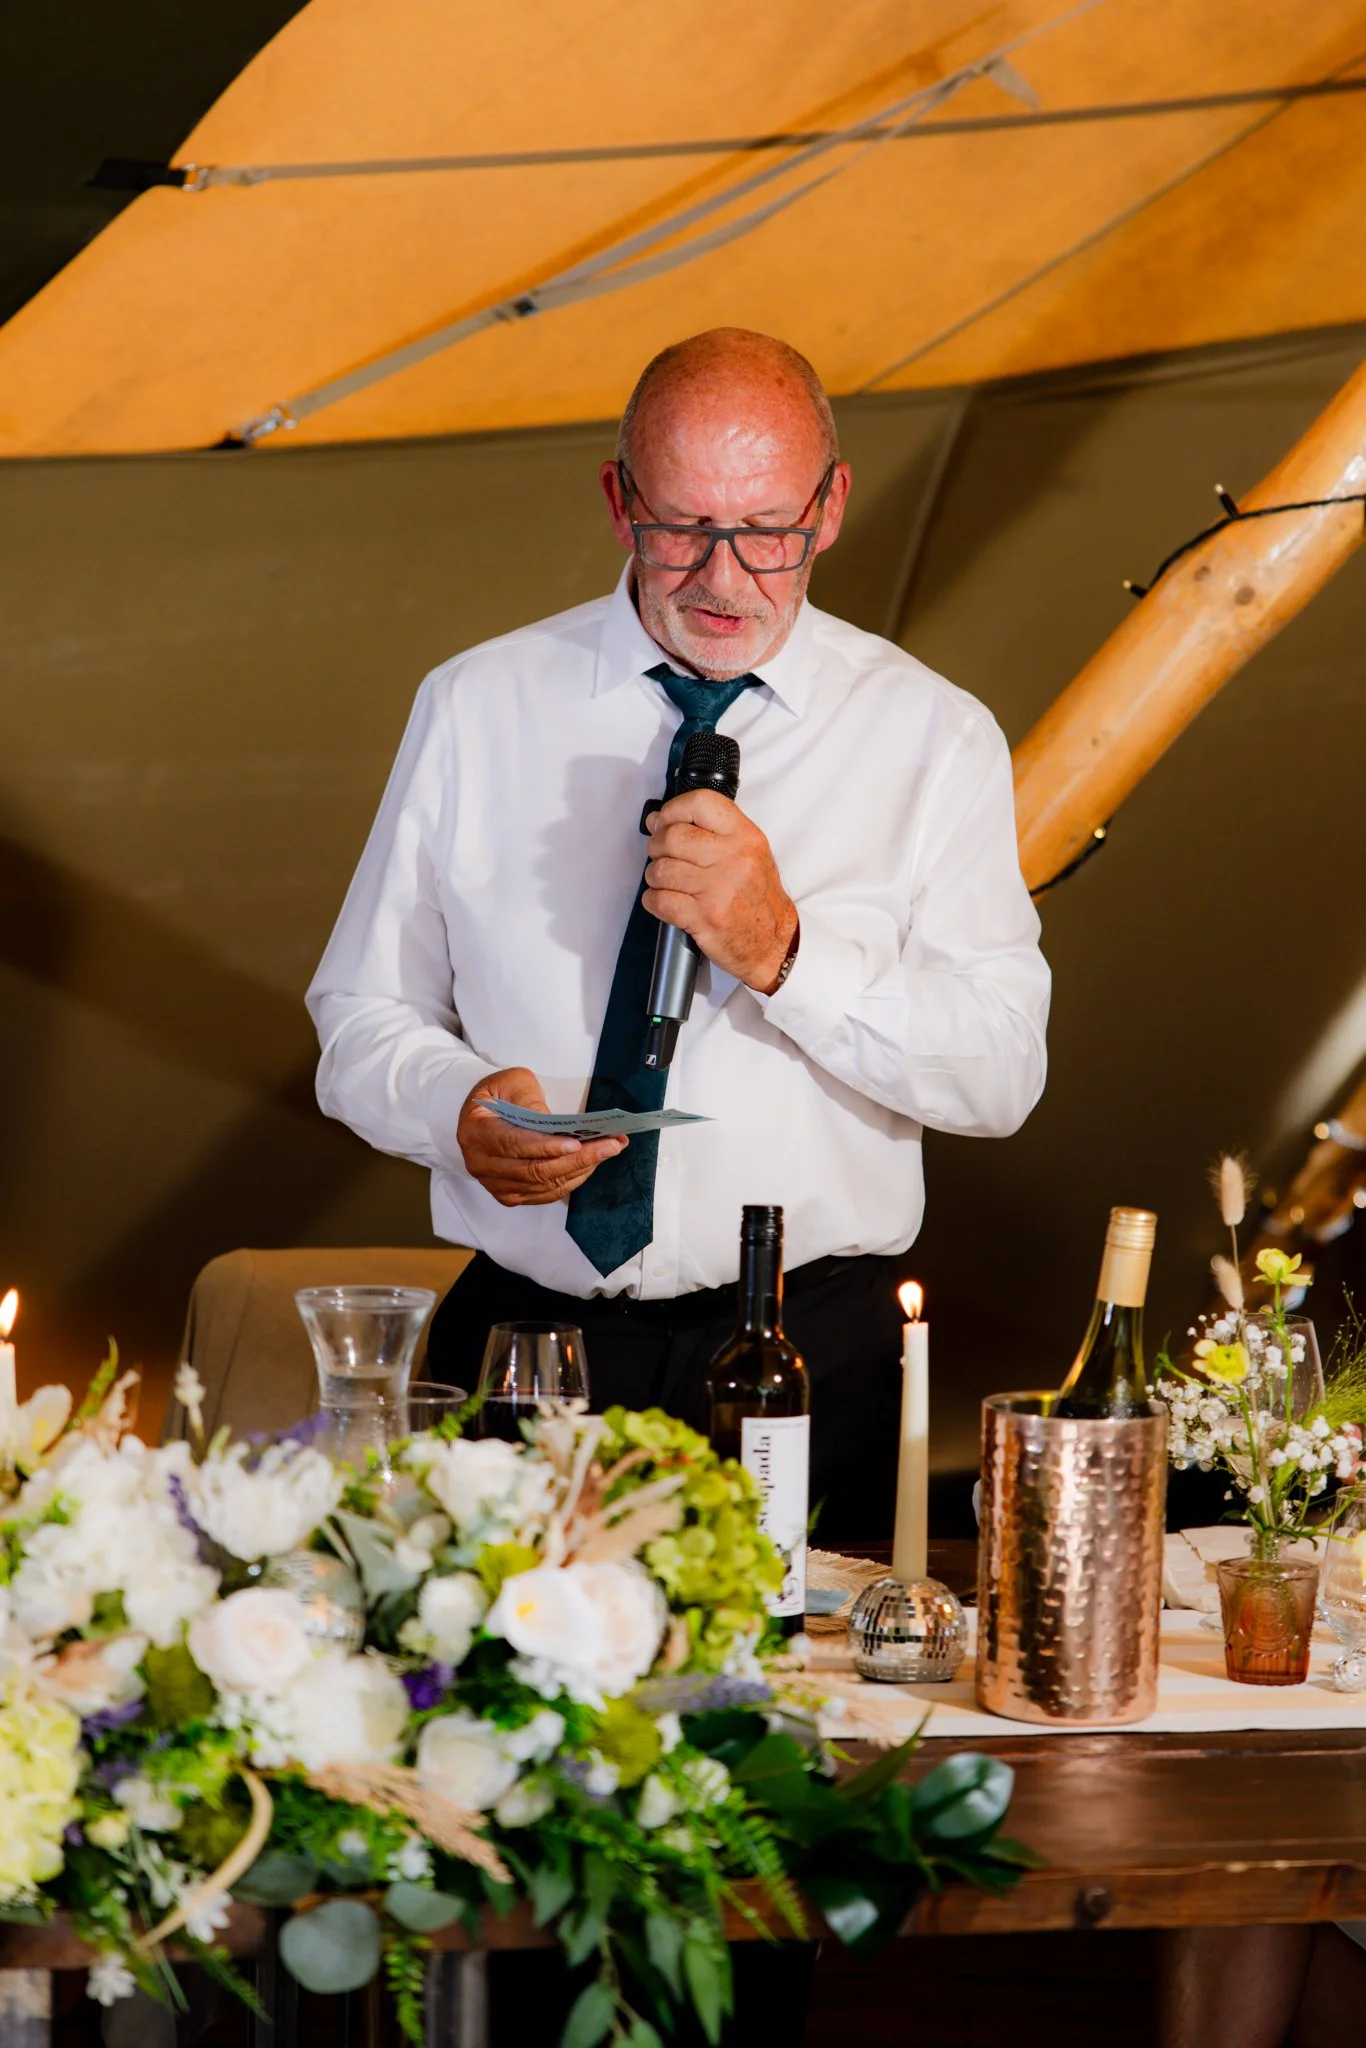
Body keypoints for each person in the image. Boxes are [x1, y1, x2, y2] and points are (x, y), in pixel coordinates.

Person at [306, 327, 1049, 1537]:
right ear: (618, 501)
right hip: (526, 1345)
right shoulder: (475, 703)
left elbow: (1001, 1073)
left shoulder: (933, 736)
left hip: (808, 1354)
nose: (723, 576)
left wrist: (783, 953)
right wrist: (452, 1107)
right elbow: (358, 1018)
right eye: (681, 527)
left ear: (831, 507)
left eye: (766, 529)